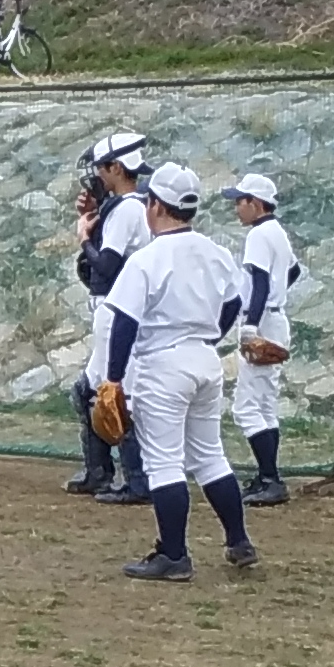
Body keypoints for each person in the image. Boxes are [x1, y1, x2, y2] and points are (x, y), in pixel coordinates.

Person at [98, 163, 258, 581]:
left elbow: (125, 321)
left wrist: (113, 379)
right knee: (209, 455)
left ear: (155, 205)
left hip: (164, 364)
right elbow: (232, 303)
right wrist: (211, 335)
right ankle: (239, 540)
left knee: (164, 462)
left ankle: (174, 555)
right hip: (205, 359)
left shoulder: (147, 259)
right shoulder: (215, 251)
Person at [68, 133, 154, 505]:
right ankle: (100, 472)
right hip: (116, 307)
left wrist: (84, 238)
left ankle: (137, 480)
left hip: (117, 309)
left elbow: (106, 264)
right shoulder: (131, 205)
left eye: (103, 168)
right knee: (87, 392)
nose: (98, 176)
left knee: (114, 395)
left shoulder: (127, 209)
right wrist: (97, 213)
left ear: (117, 168)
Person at [222, 173, 299, 507]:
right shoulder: (277, 232)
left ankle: (270, 479)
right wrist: (275, 299)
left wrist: (251, 325)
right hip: (276, 317)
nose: (237, 207)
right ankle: (269, 475)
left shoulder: (258, 234)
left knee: (247, 408)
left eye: (240, 201)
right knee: (265, 403)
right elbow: (293, 271)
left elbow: (261, 282)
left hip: (264, 319)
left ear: (255, 203)